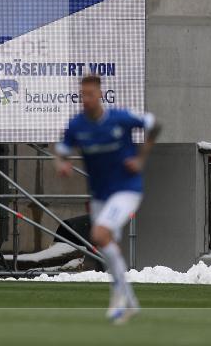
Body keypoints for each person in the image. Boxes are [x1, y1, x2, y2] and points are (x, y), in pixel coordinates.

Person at [54, 75, 160, 324]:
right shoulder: (77, 125)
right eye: (83, 95)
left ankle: (118, 298)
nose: (86, 99)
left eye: (90, 94)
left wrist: (141, 159)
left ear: (100, 94)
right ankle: (130, 301)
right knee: (106, 245)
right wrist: (62, 164)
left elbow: (154, 124)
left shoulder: (119, 119)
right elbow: (60, 150)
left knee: (100, 235)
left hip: (126, 190)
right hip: (100, 195)